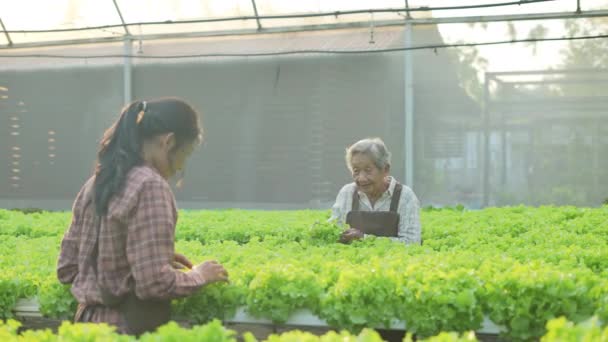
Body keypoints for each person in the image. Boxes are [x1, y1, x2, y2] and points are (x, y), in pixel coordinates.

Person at [57, 98, 228, 335]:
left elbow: (67, 268)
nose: (180, 167)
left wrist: (133, 257)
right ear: (168, 142)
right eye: (185, 154)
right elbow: (154, 284)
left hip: (83, 328)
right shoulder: (149, 186)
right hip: (124, 330)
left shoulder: (95, 183)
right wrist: (200, 275)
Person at [329, 138, 421, 244]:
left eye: (368, 170)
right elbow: (334, 232)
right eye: (356, 171)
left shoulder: (405, 196)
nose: (361, 178)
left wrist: (364, 239)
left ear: (385, 169)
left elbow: (412, 242)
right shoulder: (347, 193)